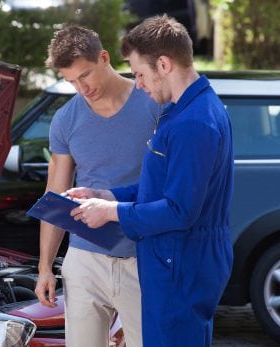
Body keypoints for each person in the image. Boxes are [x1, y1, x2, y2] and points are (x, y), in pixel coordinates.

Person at [67, 15, 234, 347]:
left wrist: (112, 212)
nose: (139, 84)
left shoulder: (193, 123)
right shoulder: (183, 111)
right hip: (178, 260)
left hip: (180, 263)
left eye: (140, 74)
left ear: (164, 64)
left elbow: (179, 210)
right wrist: (106, 194)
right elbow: (161, 187)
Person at [34, 25, 163, 347]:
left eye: (85, 75)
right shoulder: (65, 119)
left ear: (104, 58)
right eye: (71, 81)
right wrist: (45, 267)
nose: (81, 87)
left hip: (142, 257)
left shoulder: (154, 104)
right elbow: (55, 195)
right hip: (84, 258)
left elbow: (168, 186)